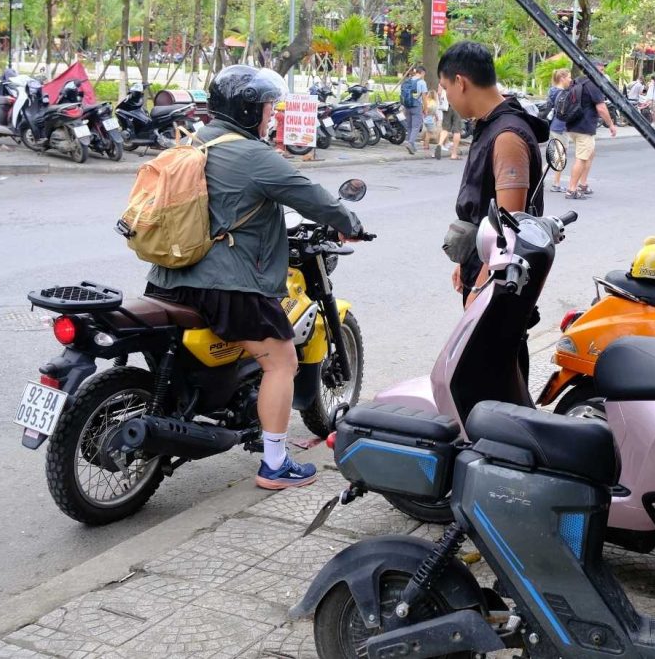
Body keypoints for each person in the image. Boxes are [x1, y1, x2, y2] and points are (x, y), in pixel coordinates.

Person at [145, 65, 366, 490]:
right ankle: (275, 464)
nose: (272, 116)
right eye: (267, 108)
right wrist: (350, 222)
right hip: (229, 286)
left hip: (169, 279)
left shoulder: (193, 141)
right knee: (281, 360)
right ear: (248, 111)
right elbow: (310, 196)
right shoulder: (253, 155)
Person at [437, 41, 548, 304]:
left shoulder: (507, 135)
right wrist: (466, 263)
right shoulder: (490, 125)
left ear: (460, 82)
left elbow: (508, 231)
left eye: (445, 88)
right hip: (484, 267)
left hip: (498, 282)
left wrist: (479, 291)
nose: (447, 98)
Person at [565, 60, 619, 200]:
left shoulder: (578, 81)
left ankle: (583, 184)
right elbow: (601, 108)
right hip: (584, 126)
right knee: (582, 157)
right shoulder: (593, 84)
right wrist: (611, 125)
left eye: (602, 70)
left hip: (573, 124)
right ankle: (571, 189)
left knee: (590, 153)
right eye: (600, 70)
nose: (602, 72)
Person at [546, 68, 572, 192]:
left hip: (554, 125)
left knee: (555, 155)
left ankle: (537, 177)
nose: (570, 80)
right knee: (560, 156)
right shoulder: (562, 93)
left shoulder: (552, 90)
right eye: (569, 77)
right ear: (562, 78)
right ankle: (556, 184)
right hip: (560, 127)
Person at [401, 65, 428, 155]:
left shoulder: (408, 80)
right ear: (422, 73)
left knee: (409, 126)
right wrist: (425, 108)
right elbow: (424, 97)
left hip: (407, 106)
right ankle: (410, 143)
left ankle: (412, 146)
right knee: (416, 126)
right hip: (416, 106)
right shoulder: (422, 82)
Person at [438, 84, 464, 160]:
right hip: (457, 105)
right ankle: (454, 154)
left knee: (445, 129)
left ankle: (440, 144)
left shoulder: (444, 77)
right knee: (457, 130)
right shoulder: (461, 78)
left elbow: (439, 93)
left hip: (446, 106)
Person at [420, 90, 442, 158]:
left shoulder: (426, 101)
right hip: (430, 119)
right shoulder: (433, 103)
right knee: (431, 133)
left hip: (425, 119)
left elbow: (423, 110)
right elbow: (434, 111)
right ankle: (428, 145)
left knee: (427, 132)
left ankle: (425, 144)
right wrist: (436, 117)